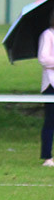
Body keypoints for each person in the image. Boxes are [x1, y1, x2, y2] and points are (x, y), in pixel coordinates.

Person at [40, 11, 54, 167]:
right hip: (51, 84)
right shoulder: (47, 35)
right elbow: (43, 58)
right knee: (51, 121)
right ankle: (47, 157)